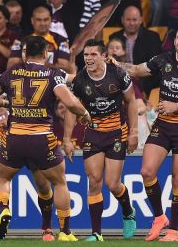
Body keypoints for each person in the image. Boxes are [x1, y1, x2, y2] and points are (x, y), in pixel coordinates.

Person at [0, 35, 91, 241]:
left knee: (2, 178)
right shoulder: (52, 74)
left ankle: (4, 208)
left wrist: (4, 103)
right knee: (59, 183)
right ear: (46, 53)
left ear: (25, 53)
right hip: (42, 139)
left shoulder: (11, 73)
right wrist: (84, 113)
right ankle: (65, 232)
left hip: (15, 137)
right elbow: (71, 103)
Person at [125, 25, 178, 242]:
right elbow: (136, 70)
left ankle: (173, 230)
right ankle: (159, 217)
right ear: (174, 41)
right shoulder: (163, 60)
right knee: (146, 171)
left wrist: (177, 106)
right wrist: (116, 65)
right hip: (163, 124)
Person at [63, 39, 138, 241]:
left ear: (104, 56)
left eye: (93, 54)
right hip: (94, 134)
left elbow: (131, 102)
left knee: (113, 184)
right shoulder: (80, 79)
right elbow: (72, 109)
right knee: (94, 182)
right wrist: (67, 139)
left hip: (116, 132)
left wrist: (134, 132)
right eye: (86, 55)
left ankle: (128, 211)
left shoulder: (119, 74)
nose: (88, 58)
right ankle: (97, 234)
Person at [109, 6, 162, 96]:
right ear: (122, 20)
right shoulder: (114, 37)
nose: (131, 23)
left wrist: (144, 90)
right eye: (128, 20)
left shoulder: (153, 37)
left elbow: (156, 68)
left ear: (141, 20)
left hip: (144, 84)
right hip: (118, 82)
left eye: (134, 20)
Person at [7, 6, 71, 73]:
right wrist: (46, 65)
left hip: (52, 80)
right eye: (39, 20)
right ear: (32, 20)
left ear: (50, 20)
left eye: (45, 20)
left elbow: (65, 68)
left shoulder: (60, 40)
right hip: (26, 80)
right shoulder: (21, 39)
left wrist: (34, 63)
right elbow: (11, 66)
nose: (42, 23)